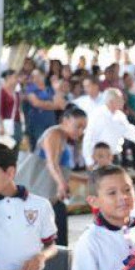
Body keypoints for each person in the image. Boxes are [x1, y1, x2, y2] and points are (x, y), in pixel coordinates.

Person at [72, 166, 135, 270]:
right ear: (94, 201)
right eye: (112, 193)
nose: (123, 197)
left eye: (127, 190)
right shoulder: (90, 240)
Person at [35, 105, 88, 245]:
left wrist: (86, 180)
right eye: (78, 126)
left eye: (84, 128)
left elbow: (61, 171)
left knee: (58, 235)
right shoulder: (55, 133)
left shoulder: (63, 137)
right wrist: (61, 184)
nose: (81, 131)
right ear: (65, 121)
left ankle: (59, 263)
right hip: (46, 193)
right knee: (56, 237)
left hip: (52, 194)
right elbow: (51, 164)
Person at [82, 88, 135, 168]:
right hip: (98, 158)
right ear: (111, 101)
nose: (123, 102)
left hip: (114, 156)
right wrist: (89, 160)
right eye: (120, 99)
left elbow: (128, 130)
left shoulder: (120, 115)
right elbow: (88, 138)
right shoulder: (97, 115)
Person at [24, 68, 65, 149]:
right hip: (36, 124)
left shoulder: (50, 89)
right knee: (38, 147)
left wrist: (57, 90)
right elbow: (36, 103)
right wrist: (54, 105)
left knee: (51, 147)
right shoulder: (30, 89)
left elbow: (61, 105)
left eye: (37, 76)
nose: (35, 78)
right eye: (33, 76)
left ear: (43, 76)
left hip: (50, 123)